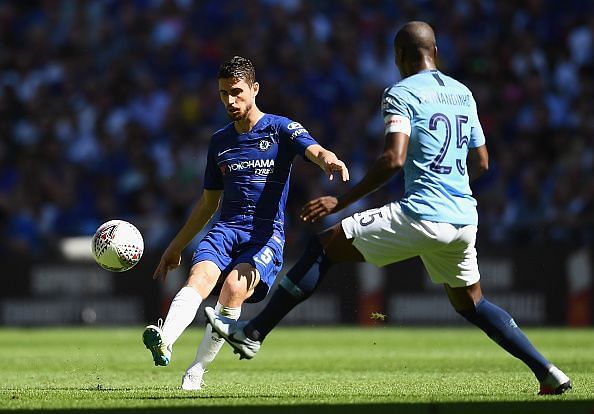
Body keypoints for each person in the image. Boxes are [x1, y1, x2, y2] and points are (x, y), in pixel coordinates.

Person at [205, 22, 572, 396]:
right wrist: (451, 188)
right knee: (472, 303)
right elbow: (482, 162)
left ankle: (252, 332)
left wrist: (341, 201)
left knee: (324, 244)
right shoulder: (463, 94)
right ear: (436, 52)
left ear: (398, 56)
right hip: (463, 218)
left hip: (423, 212)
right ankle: (548, 372)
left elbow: (393, 160)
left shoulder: (400, 93)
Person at [143, 56, 349, 391]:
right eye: (223, 93)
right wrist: (175, 246)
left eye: (237, 92)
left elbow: (312, 148)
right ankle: (165, 339)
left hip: (266, 234)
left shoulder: (281, 128)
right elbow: (208, 203)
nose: (230, 101)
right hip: (226, 229)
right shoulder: (219, 142)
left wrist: (328, 158)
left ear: (255, 89)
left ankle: (196, 369)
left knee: (234, 288)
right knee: (200, 277)